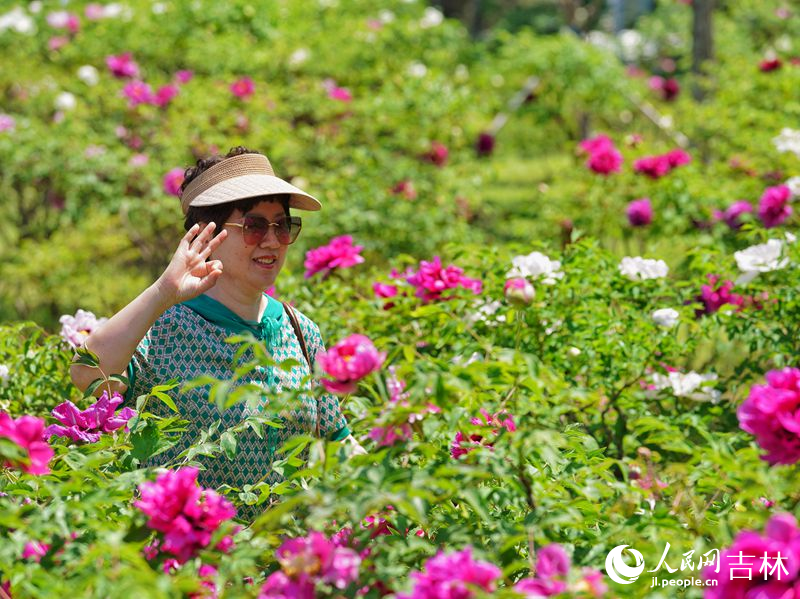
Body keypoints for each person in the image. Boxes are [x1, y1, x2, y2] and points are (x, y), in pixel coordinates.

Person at [70, 146, 362, 520]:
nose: (272, 241)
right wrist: (163, 291)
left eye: (282, 225)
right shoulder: (164, 326)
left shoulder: (300, 331)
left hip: (281, 564)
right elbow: (87, 373)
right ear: (209, 236)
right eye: (254, 226)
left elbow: (336, 444)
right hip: (183, 562)